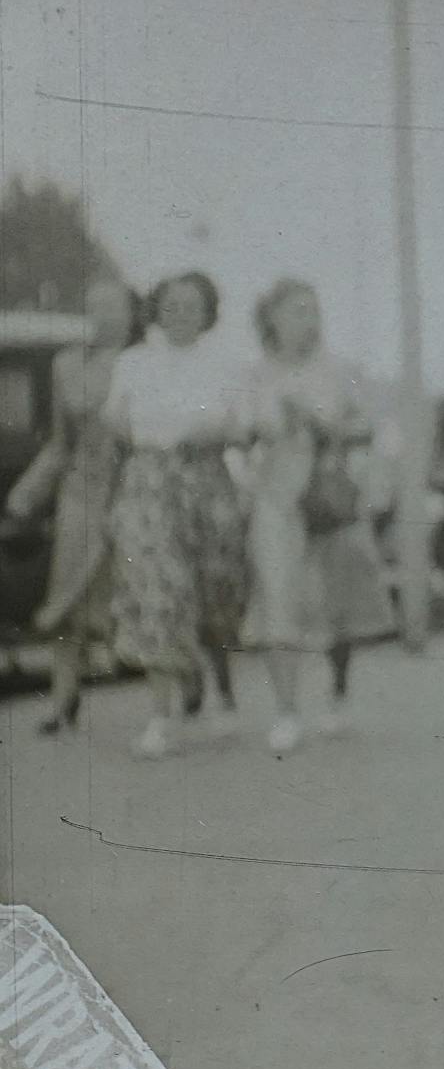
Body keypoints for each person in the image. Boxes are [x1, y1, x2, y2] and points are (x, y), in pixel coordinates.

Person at [238, 280, 396, 754]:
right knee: (277, 595)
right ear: (272, 320)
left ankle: (338, 693)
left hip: (329, 497)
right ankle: (287, 711)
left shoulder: (340, 371)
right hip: (275, 498)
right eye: (297, 311)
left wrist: (323, 425)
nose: (309, 320)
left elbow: (368, 426)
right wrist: (265, 430)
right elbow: (239, 431)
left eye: (314, 310)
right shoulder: (255, 376)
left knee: (337, 599)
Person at [103, 272, 251, 759]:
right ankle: (160, 716)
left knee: (215, 592)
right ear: (155, 310)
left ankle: (222, 693)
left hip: (207, 483)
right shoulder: (133, 363)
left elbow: (241, 425)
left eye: (191, 306)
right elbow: (118, 424)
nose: (180, 315)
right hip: (150, 484)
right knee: (158, 591)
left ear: (208, 312)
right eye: (170, 306)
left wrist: (210, 431)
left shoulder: (226, 364)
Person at [5, 277, 144, 734]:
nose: (104, 316)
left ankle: (184, 682)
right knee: (66, 597)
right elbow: (61, 443)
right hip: (81, 492)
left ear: (132, 313)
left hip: (137, 490)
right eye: (94, 306)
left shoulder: (144, 363)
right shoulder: (66, 365)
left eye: (113, 307)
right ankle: (64, 699)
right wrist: (29, 490)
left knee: (146, 592)